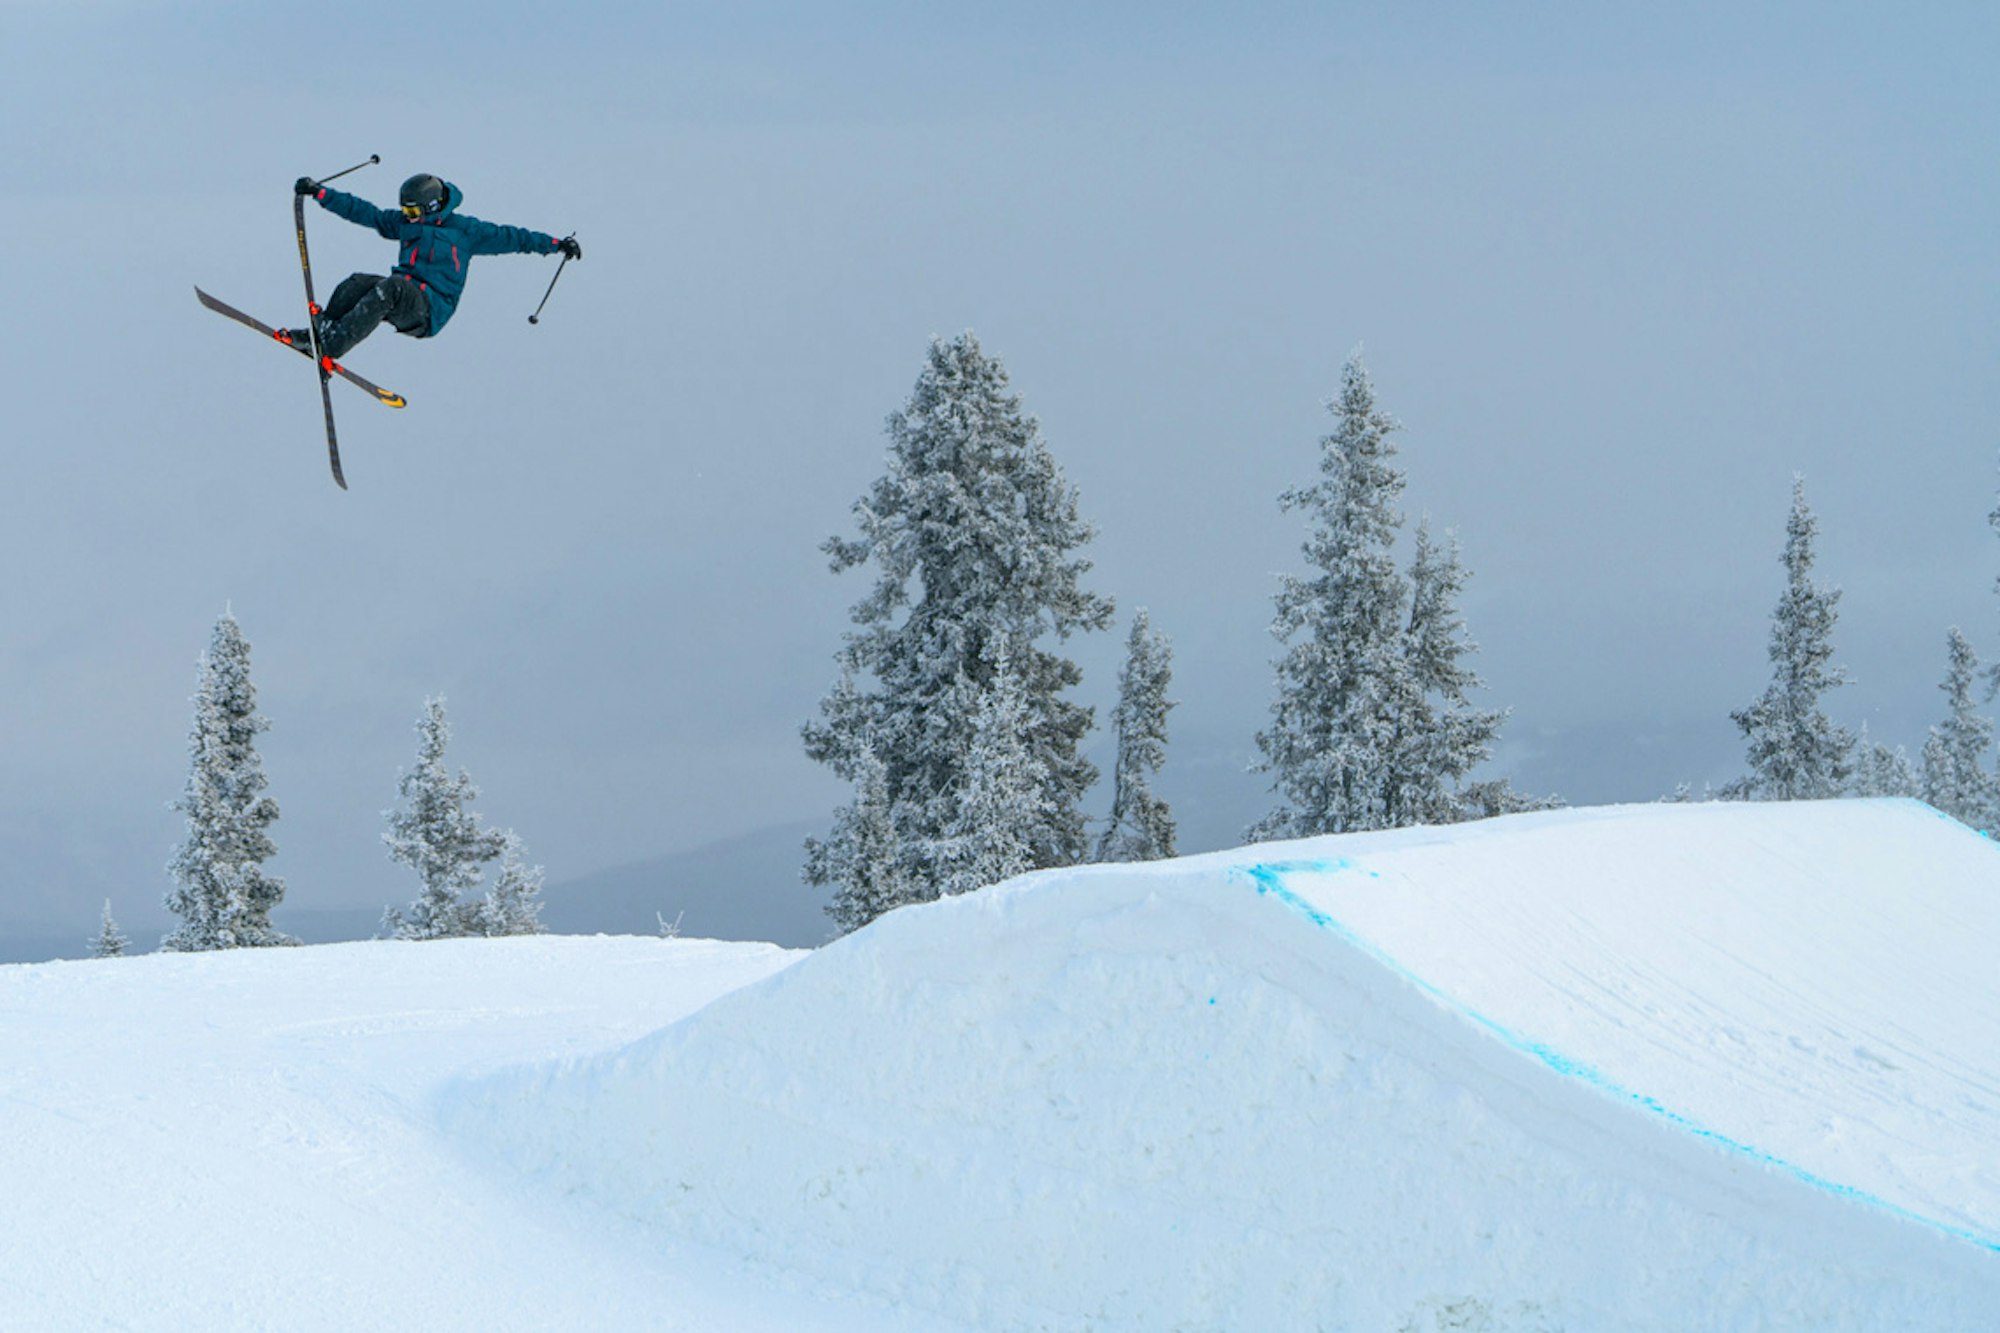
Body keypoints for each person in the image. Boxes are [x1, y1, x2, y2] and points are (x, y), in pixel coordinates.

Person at [287, 173, 581, 360]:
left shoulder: (464, 231)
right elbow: (368, 213)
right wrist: (322, 194)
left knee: (390, 289)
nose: (408, 217)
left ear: (431, 207)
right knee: (358, 282)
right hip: (404, 294)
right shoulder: (405, 224)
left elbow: (514, 237)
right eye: (405, 211)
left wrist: (556, 244)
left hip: (429, 308)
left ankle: (333, 346)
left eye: (413, 211)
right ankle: (321, 333)